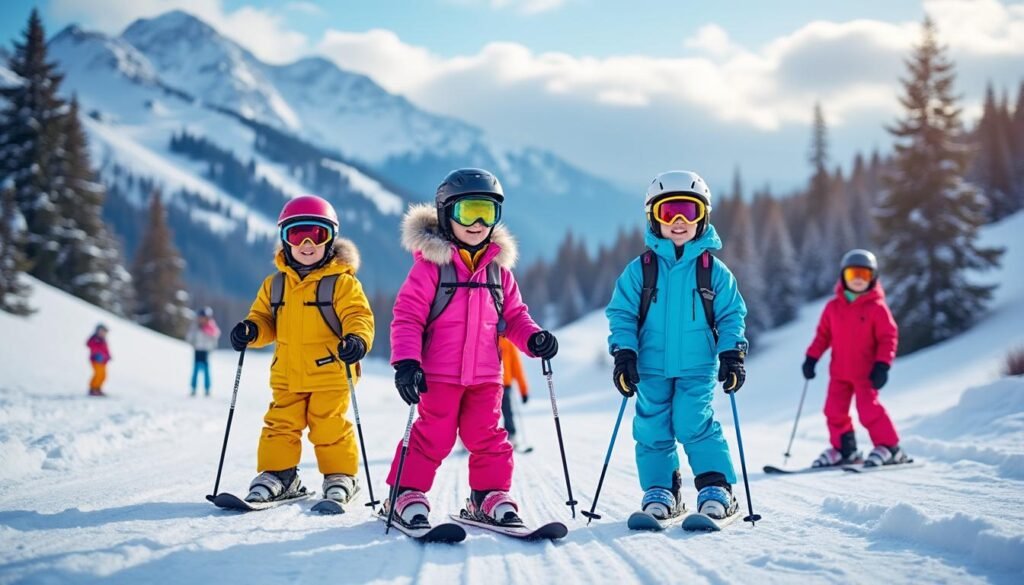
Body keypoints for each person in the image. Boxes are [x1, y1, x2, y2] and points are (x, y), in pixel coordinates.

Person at [384, 168, 558, 530]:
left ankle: (489, 495)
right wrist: (406, 362)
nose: (478, 223)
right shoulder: (432, 269)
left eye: (488, 212)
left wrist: (534, 338)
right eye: (468, 212)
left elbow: (515, 317)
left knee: (489, 437)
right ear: (447, 215)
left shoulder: (499, 273)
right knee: (434, 436)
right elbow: (407, 318)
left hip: (485, 376)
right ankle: (405, 493)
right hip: (438, 375)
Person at [606, 170, 749, 521]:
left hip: (698, 366)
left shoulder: (713, 271)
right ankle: (662, 490)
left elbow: (732, 314)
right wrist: (624, 353)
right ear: (654, 218)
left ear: (704, 217)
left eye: (690, 210)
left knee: (692, 422)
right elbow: (622, 314)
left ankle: (717, 487)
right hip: (650, 366)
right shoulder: (641, 270)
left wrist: (732, 353)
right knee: (652, 427)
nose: (680, 221)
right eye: (670, 212)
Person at [229, 195, 375, 505]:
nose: (307, 243)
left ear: (330, 239)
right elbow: (265, 319)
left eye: (317, 234)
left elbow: (358, 316)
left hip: (331, 372)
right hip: (287, 374)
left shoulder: (342, 283)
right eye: (297, 234)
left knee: (329, 427)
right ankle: (280, 475)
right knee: (280, 424)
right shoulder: (275, 284)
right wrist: (251, 331)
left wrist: (357, 340)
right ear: (285, 239)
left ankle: (340, 476)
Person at [803, 249, 908, 468]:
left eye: (864, 274)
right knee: (833, 410)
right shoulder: (833, 307)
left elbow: (888, 337)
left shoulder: (877, 308)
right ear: (843, 277)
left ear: (873, 277)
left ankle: (890, 448)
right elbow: (823, 336)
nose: (859, 280)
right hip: (839, 372)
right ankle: (845, 450)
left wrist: (882, 365)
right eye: (853, 274)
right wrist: (811, 358)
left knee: (869, 410)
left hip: (866, 373)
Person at [499, 336, 530, 451]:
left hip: (505, 383)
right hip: (488, 383)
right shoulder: (486, 339)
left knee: (507, 411)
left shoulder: (508, 342)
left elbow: (517, 367)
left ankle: (511, 436)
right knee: (484, 412)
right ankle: (475, 438)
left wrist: (524, 390)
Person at [186, 306, 220, 396]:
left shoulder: (211, 327)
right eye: (201, 317)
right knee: (196, 370)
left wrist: (211, 347)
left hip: (206, 351)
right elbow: (190, 336)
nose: (202, 319)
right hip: (197, 350)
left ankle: (207, 389)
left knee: (206, 371)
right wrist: (193, 343)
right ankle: (193, 388)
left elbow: (215, 337)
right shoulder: (195, 326)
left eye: (204, 318)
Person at [87, 324, 111, 397]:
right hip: (96, 360)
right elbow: (92, 347)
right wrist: (97, 355)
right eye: (101, 331)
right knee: (98, 374)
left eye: (104, 332)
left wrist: (108, 356)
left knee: (103, 375)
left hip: (103, 361)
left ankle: (98, 388)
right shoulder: (95, 339)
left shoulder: (103, 340)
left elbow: (106, 350)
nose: (103, 333)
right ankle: (93, 388)